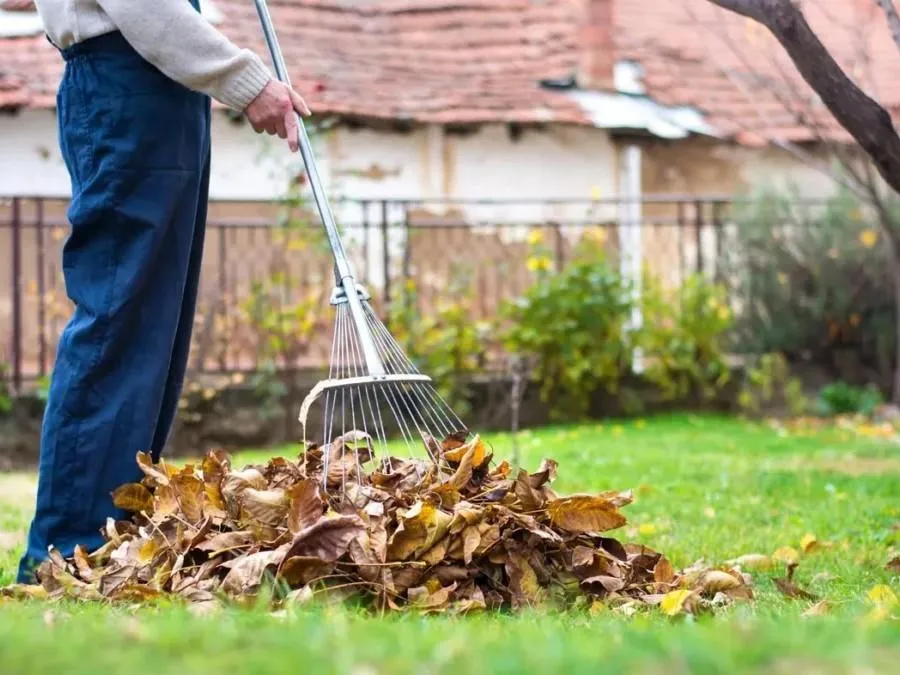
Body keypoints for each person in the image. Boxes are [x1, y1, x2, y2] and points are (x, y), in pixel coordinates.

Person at [17, 0, 311, 584]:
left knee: (152, 332)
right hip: (126, 83)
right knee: (119, 322)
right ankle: (67, 549)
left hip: (157, 89)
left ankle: (113, 538)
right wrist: (247, 81)